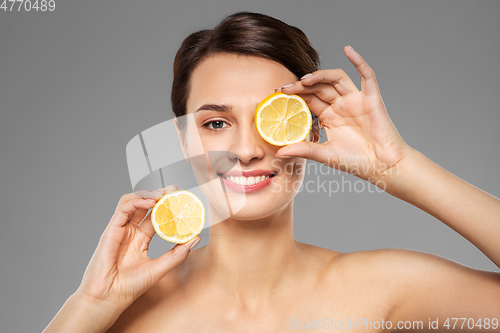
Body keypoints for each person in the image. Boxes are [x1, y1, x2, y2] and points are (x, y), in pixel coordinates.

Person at [43, 11, 500, 332]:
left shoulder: (378, 290)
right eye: (216, 123)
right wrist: (90, 304)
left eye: (271, 117)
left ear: (312, 128)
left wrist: (398, 167)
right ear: (183, 140)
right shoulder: (122, 311)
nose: (245, 150)